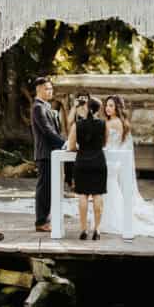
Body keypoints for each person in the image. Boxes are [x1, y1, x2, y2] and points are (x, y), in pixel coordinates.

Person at [99, 95, 154, 238]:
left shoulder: (110, 123)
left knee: (109, 188)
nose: (107, 108)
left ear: (117, 108)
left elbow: (104, 142)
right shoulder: (122, 122)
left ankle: (111, 219)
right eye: (107, 105)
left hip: (110, 159)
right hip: (116, 160)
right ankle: (111, 216)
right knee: (111, 187)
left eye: (111, 105)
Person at [67, 97, 107, 240]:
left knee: (83, 195)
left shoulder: (77, 125)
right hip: (98, 161)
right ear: (99, 109)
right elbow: (104, 143)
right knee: (98, 195)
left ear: (86, 108)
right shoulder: (103, 124)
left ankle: (83, 229)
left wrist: (81, 148)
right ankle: (96, 229)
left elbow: (71, 147)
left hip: (82, 162)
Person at [31, 77, 66, 233]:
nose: (50, 91)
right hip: (45, 153)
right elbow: (47, 131)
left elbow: (54, 130)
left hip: (52, 153)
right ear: (38, 89)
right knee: (44, 189)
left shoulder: (47, 107)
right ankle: (41, 222)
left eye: (51, 89)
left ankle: (46, 219)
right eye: (46, 88)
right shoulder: (38, 107)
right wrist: (64, 144)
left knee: (50, 188)